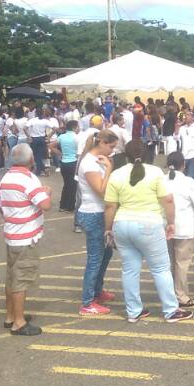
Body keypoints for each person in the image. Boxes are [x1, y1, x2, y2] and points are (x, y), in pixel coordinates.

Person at [104, 141, 192, 323]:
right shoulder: (155, 173)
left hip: (122, 223)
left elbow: (110, 205)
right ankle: (170, 309)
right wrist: (171, 223)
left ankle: (134, 311)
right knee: (160, 269)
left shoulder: (116, 174)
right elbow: (167, 200)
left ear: (126, 155)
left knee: (129, 270)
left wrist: (108, 228)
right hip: (149, 224)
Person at [0, 144, 48, 335]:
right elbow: (46, 204)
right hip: (27, 236)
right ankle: (19, 322)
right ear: (31, 159)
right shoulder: (30, 179)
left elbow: (0, 207)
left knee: (12, 276)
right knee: (21, 279)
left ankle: (10, 316)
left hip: (12, 234)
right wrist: (47, 192)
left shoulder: (5, 179)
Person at [75, 131, 117, 316]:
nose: (113, 150)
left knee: (106, 254)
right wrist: (109, 168)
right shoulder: (89, 163)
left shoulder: (97, 159)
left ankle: (97, 291)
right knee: (95, 258)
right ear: (102, 143)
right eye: (111, 146)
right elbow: (101, 190)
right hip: (93, 213)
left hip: (101, 212)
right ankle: (87, 302)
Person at [164, 152, 194, 307]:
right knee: (182, 263)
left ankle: (169, 293)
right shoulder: (189, 182)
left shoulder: (161, 180)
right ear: (184, 164)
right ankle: (181, 295)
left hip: (165, 226)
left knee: (168, 262)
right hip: (184, 227)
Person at [57, 120, 80, 213]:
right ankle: (70, 206)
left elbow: (51, 145)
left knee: (66, 184)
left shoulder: (61, 136)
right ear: (74, 128)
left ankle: (62, 205)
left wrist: (60, 154)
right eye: (78, 127)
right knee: (73, 185)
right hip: (73, 162)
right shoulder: (77, 137)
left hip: (64, 162)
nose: (79, 128)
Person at [26, 108, 52, 176]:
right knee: (39, 155)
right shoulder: (45, 121)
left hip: (34, 139)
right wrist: (49, 136)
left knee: (35, 155)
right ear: (43, 113)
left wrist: (28, 136)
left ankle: (42, 169)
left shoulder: (32, 120)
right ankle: (40, 170)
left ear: (36, 113)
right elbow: (55, 128)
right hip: (42, 139)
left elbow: (24, 128)